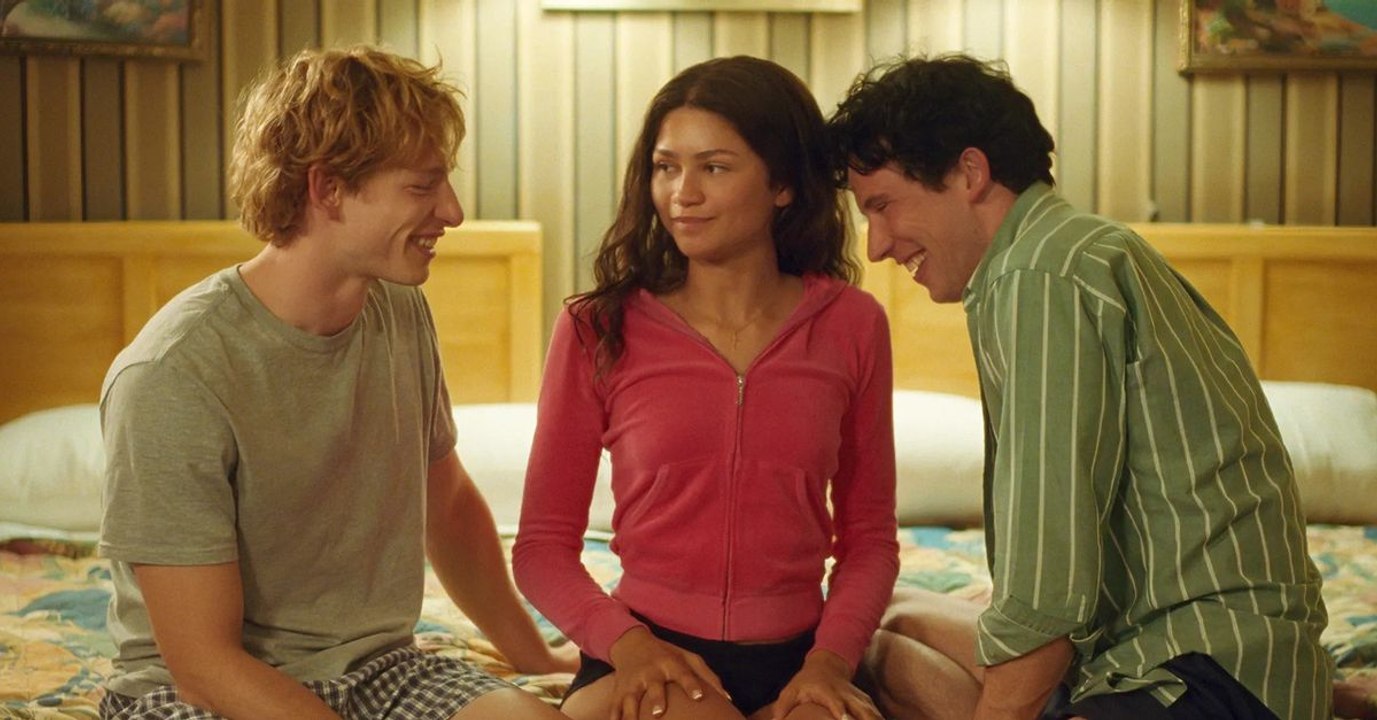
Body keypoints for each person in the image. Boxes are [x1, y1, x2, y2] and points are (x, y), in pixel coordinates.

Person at [826, 54, 1332, 720]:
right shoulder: (1069, 250)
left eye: (883, 207)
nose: (877, 246)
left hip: (1201, 670)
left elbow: (1049, 583)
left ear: (969, 174)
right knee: (881, 626)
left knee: (917, 654)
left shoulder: (1039, 278)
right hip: (1153, 650)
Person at [97, 46, 575, 720]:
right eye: (423, 186)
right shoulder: (174, 374)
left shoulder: (399, 309)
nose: (453, 211)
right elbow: (203, 665)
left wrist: (536, 657)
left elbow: (445, 506)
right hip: (201, 691)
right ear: (327, 189)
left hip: (378, 668)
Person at [512, 56, 898, 720]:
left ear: (782, 184)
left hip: (804, 657)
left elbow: (869, 539)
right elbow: (541, 549)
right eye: (666, 167)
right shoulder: (596, 327)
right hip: (646, 654)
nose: (681, 194)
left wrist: (830, 663)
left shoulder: (852, 325)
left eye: (714, 168)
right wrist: (629, 646)